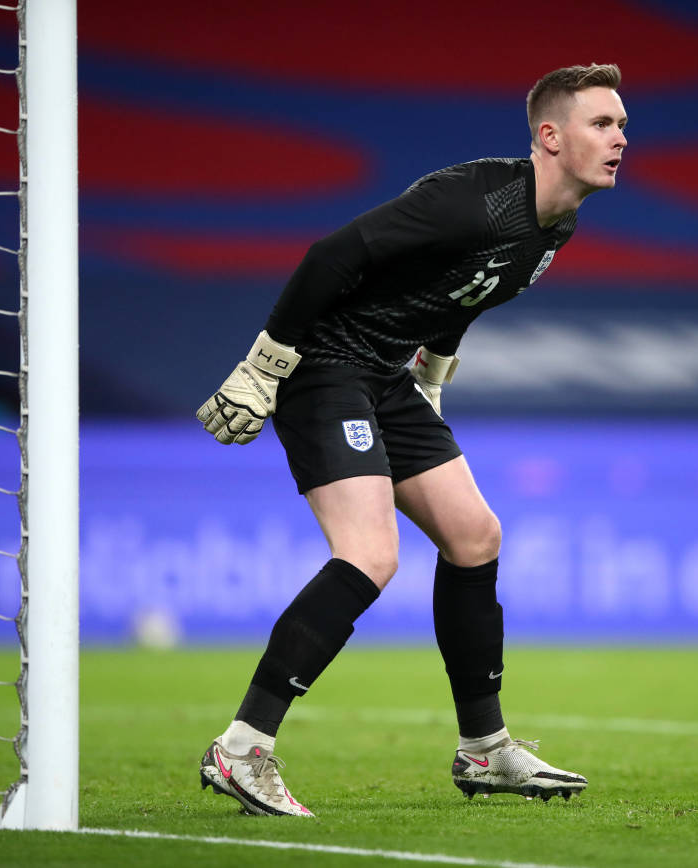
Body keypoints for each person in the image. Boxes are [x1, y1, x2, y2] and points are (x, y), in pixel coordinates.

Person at [195, 62, 627, 817]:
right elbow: (331, 256)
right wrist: (264, 366)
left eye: (623, 125)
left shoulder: (557, 222)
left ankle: (485, 750)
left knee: (474, 535)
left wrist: (431, 377)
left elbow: (470, 291)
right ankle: (241, 750)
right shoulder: (472, 200)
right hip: (325, 366)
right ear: (549, 137)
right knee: (369, 554)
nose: (622, 138)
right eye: (603, 123)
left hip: (388, 377)